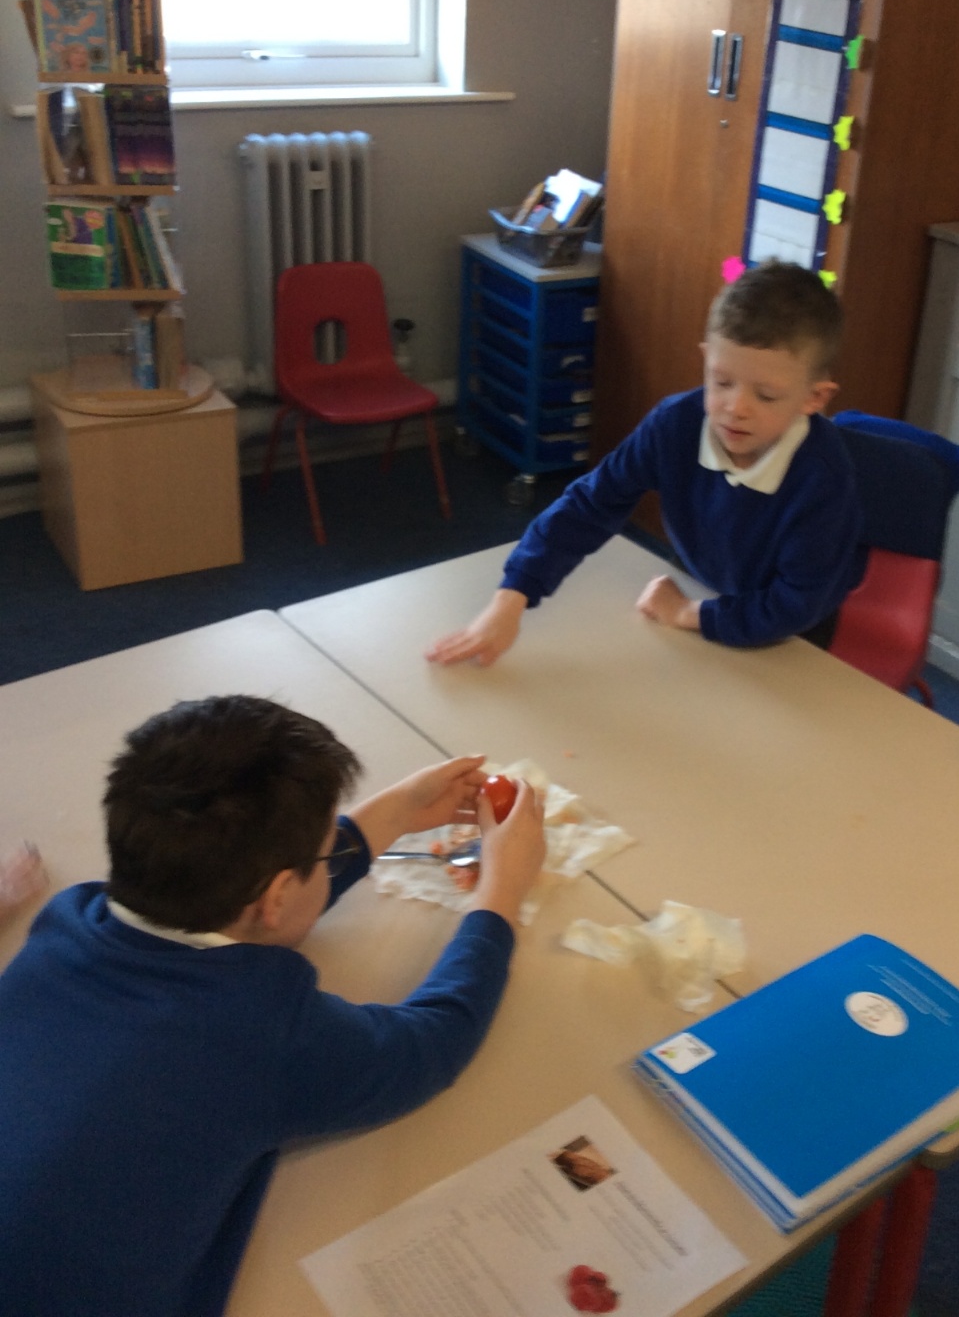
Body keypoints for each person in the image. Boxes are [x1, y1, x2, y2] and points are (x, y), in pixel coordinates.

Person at [0, 694, 545, 1317]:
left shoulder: (68, 920)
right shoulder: (265, 1035)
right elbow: (431, 1044)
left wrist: (391, 815)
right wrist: (502, 893)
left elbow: (257, 911)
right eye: (323, 857)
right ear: (278, 895)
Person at [428, 260, 865, 665]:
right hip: (699, 587)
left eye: (765, 396)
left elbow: (794, 605)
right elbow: (589, 505)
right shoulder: (675, 424)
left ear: (814, 398)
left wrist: (689, 613)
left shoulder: (822, 480)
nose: (735, 408)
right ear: (706, 360)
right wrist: (512, 597)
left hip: (786, 634)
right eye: (721, 381)